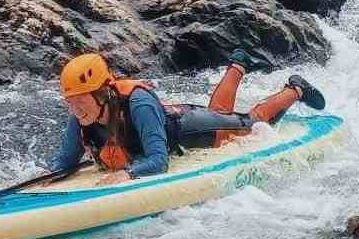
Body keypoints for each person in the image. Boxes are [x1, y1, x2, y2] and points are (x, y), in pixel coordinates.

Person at [51, 50, 326, 185]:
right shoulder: (82, 116)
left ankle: (296, 89)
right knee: (220, 113)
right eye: (69, 103)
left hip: (192, 129)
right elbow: (63, 163)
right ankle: (238, 66)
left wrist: (129, 174)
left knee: (250, 124)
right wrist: (45, 178)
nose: (75, 110)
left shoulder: (138, 104)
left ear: (102, 94)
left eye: (80, 102)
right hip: (174, 117)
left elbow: (158, 161)